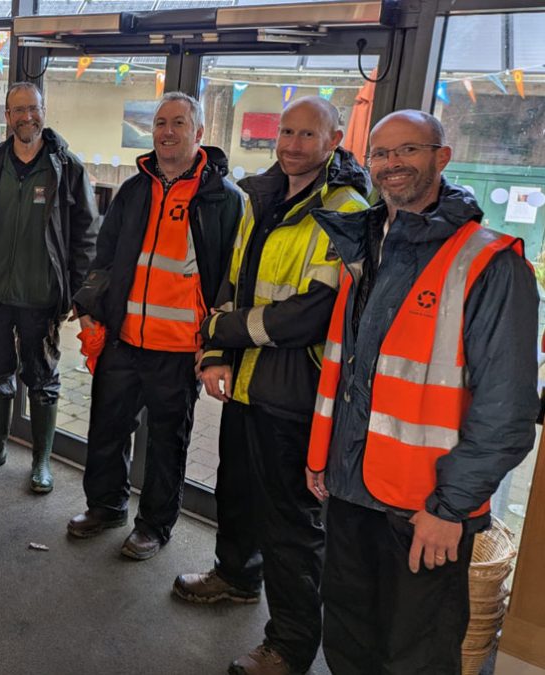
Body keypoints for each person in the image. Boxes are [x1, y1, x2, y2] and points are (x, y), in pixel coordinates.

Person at [308, 110, 538, 674]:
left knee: (416, 655)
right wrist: (324, 461)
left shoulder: (490, 263)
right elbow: (351, 371)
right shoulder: (366, 245)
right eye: (380, 154)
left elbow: (507, 411)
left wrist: (450, 508)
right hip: (350, 486)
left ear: (442, 156)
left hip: (425, 507)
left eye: (407, 150)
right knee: (348, 637)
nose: (391, 165)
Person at [175, 96, 371, 675]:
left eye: (307, 135)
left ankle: (288, 645)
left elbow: (313, 313)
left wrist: (223, 328)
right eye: (286, 131)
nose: (291, 144)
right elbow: (233, 281)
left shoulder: (347, 208)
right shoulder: (260, 198)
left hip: (295, 393)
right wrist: (215, 352)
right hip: (246, 384)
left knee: (291, 528)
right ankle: (235, 577)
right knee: (236, 491)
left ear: (333, 140)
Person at [68, 92, 241, 557]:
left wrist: (214, 349)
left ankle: (154, 526)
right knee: (106, 429)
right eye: (161, 122)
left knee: (167, 444)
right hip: (123, 341)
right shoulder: (135, 188)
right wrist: (90, 309)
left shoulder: (223, 200)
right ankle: (105, 505)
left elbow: (230, 281)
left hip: (179, 350)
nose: (167, 131)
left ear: (199, 132)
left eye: (178, 123)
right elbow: (104, 257)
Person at [0, 82, 97, 493]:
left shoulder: (65, 167)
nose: (26, 117)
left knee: (42, 380)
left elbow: (86, 234)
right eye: (17, 110)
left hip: (41, 298)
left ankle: (41, 462)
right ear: (7, 117)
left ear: (44, 111)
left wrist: (75, 292)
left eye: (32, 109)